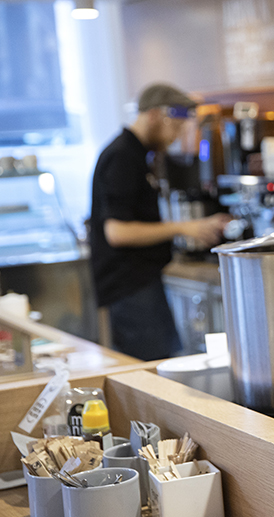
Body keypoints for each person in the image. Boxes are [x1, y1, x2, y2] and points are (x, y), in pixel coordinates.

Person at [88, 83, 230, 361]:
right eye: (175, 126)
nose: (176, 136)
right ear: (154, 115)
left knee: (161, 363)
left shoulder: (136, 154)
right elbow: (117, 232)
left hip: (140, 283)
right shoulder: (122, 156)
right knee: (154, 369)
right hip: (130, 286)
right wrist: (184, 228)